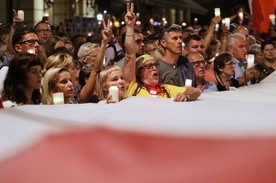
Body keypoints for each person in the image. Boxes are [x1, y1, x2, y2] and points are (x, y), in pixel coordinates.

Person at [123, 3, 201, 101]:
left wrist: (186, 96)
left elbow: (196, 91)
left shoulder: (165, 88)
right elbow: (130, 54)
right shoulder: (132, 87)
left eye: (155, 65)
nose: (155, 69)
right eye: (149, 66)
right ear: (138, 73)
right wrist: (130, 27)